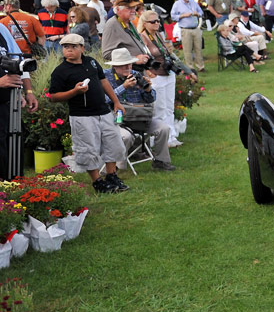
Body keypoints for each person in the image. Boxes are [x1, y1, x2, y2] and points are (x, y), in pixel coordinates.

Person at [48, 33, 129, 193]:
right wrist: (74, 91)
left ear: (82, 48)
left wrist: (116, 101)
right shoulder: (60, 71)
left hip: (103, 111)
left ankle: (112, 176)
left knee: (112, 143)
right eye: (66, 47)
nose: (69, 50)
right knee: (87, 149)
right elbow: (53, 97)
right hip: (82, 116)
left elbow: (103, 81)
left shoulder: (91, 62)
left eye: (73, 47)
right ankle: (97, 182)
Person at [104, 48, 177, 171]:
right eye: (123, 65)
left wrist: (148, 89)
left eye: (129, 64)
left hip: (139, 118)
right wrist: (124, 87)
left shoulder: (136, 74)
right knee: (125, 136)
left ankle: (161, 161)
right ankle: (116, 168)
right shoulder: (106, 77)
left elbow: (151, 99)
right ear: (115, 66)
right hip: (116, 120)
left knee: (163, 128)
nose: (127, 67)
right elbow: (104, 100)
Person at [137, 9, 182, 148]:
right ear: (145, 23)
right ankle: (161, 139)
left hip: (168, 73)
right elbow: (141, 57)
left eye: (158, 21)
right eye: (153, 21)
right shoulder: (142, 37)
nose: (157, 23)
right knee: (159, 108)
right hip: (156, 76)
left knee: (169, 107)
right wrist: (147, 72)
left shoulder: (158, 35)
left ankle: (172, 135)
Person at [0, 20, 38, 180]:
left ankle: (12, 190)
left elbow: (19, 61)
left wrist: (27, 91)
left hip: (7, 102)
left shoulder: (1, 29)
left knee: (10, 144)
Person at [101, 0, 150, 66]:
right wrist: (133, 59)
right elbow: (107, 54)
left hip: (141, 68)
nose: (133, 10)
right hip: (126, 70)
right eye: (129, 8)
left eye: (134, 7)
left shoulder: (130, 23)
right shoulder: (112, 25)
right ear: (118, 9)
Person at [171, 0, 205, 72]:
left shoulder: (193, 2)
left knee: (198, 48)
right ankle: (190, 68)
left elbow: (201, 12)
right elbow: (173, 17)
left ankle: (200, 66)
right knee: (187, 49)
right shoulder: (177, 4)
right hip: (185, 29)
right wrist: (183, 15)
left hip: (196, 28)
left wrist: (197, 14)